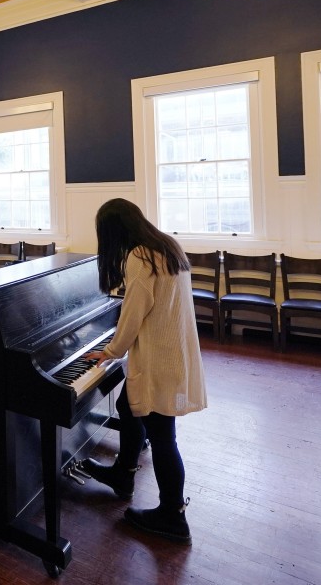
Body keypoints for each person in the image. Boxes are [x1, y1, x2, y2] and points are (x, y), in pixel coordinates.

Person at [77, 198, 207, 545]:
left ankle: (172, 515)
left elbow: (133, 313)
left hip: (160, 358)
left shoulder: (140, 257)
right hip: (174, 350)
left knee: (164, 437)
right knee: (126, 407)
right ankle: (123, 473)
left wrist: (109, 351)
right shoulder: (166, 245)